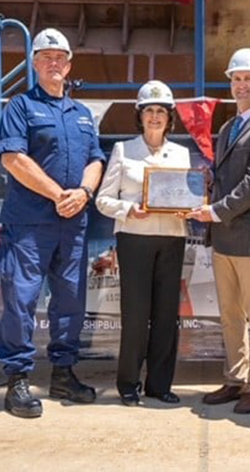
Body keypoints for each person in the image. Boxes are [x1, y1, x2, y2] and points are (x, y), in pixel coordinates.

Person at [0, 28, 105, 418]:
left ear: (69, 64)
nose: (54, 62)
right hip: (29, 225)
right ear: (34, 63)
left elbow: (96, 160)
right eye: (46, 56)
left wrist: (85, 194)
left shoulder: (82, 114)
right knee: (21, 301)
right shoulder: (20, 107)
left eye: (60, 56)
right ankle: (17, 380)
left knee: (70, 302)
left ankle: (63, 372)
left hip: (72, 224)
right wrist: (59, 194)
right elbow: (13, 159)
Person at [186, 48, 250, 414]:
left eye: (248, 79)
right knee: (230, 313)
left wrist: (214, 210)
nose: (241, 85)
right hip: (225, 237)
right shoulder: (229, 128)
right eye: (236, 79)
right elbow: (228, 178)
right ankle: (235, 379)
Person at [95, 80, 190, 406]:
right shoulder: (124, 150)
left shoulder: (181, 153)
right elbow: (103, 200)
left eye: (160, 111)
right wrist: (127, 209)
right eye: (149, 110)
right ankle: (129, 385)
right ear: (140, 115)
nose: (154, 117)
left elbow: (189, 196)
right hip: (134, 239)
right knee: (135, 315)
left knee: (166, 316)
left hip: (172, 237)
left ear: (169, 117)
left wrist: (188, 206)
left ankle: (160, 385)